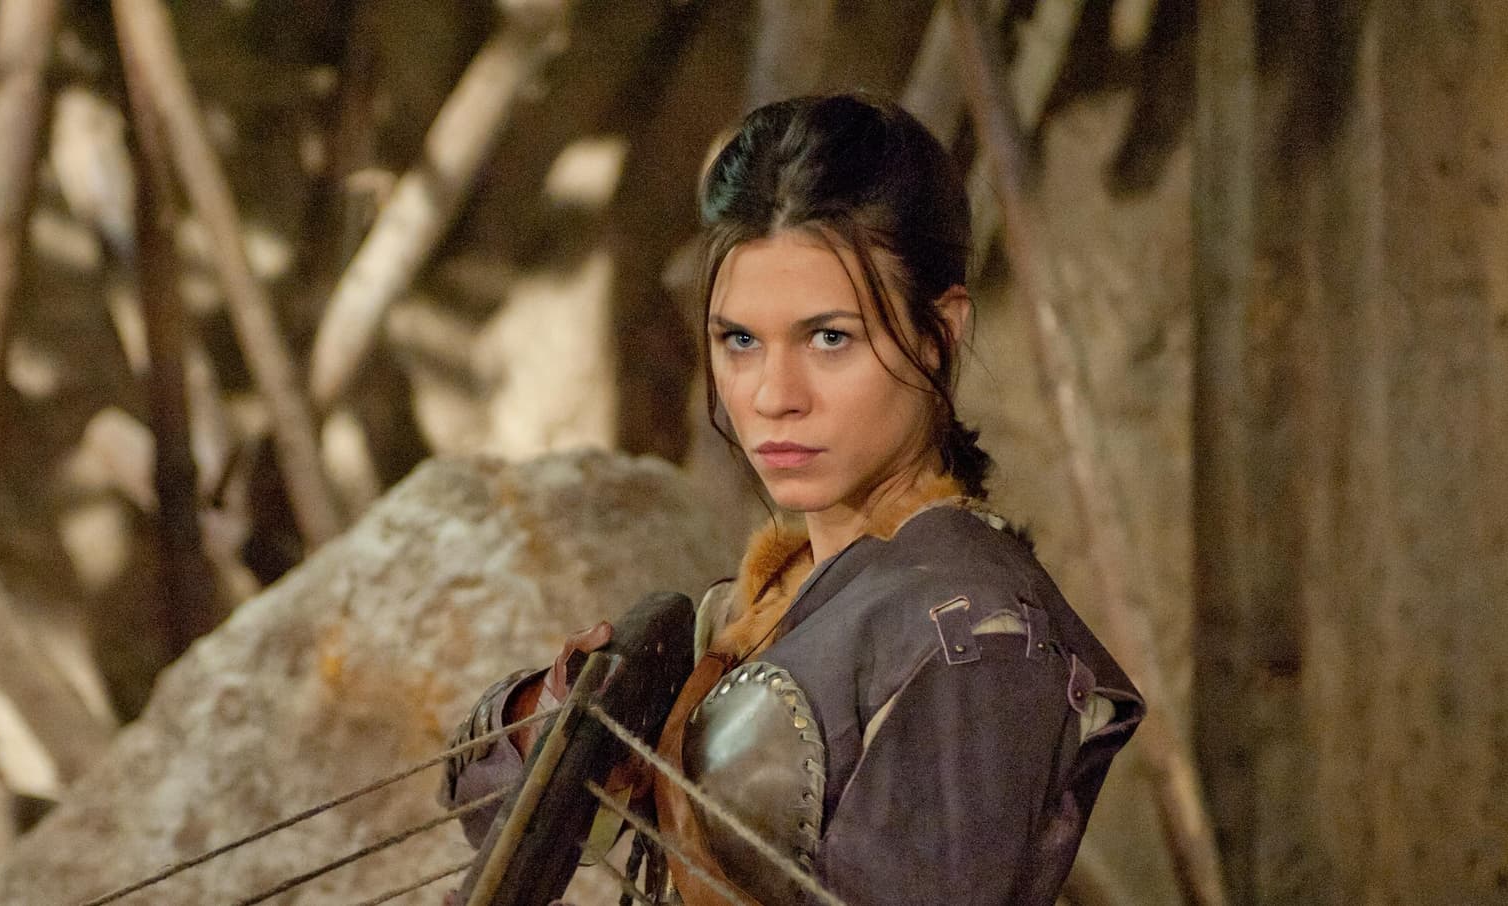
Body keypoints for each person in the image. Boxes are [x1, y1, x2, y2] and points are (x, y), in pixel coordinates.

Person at [444, 93, 1144, 906]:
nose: (774, 395)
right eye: (740, 340)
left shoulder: (972, 637)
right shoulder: (775, 600)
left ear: (939, 333)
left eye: (829, 338)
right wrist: (557, 714)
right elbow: (482, 806)